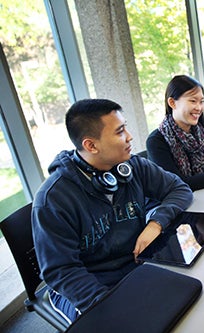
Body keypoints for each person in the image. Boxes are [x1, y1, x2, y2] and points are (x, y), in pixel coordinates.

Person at [32, 98, 193, 324]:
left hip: (134, 265)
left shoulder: (131, 166)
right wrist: (112, 307)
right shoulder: (53, 200)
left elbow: (179, 189)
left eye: (125, 127)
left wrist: (155, 223)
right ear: (91, 145)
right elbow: (62, 271)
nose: (129, 136)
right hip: (84, 284)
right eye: (119, 132)